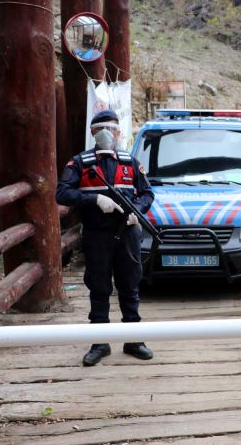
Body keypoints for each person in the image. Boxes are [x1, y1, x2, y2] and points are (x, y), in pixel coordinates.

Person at [56, 109, 155, 366]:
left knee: (130, 286)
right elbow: (62, 193)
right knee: (99, 287)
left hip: (128, 232)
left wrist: (138, 212)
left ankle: (133, 338)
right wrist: (94, 199)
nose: (107, 134)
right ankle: (100, 342)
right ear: (92, 133)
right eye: (101, 130)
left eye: (112, 129)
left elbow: (146, 193)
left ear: (120, 132)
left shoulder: (130, 162)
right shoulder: (80, 163)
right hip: (97, 234)